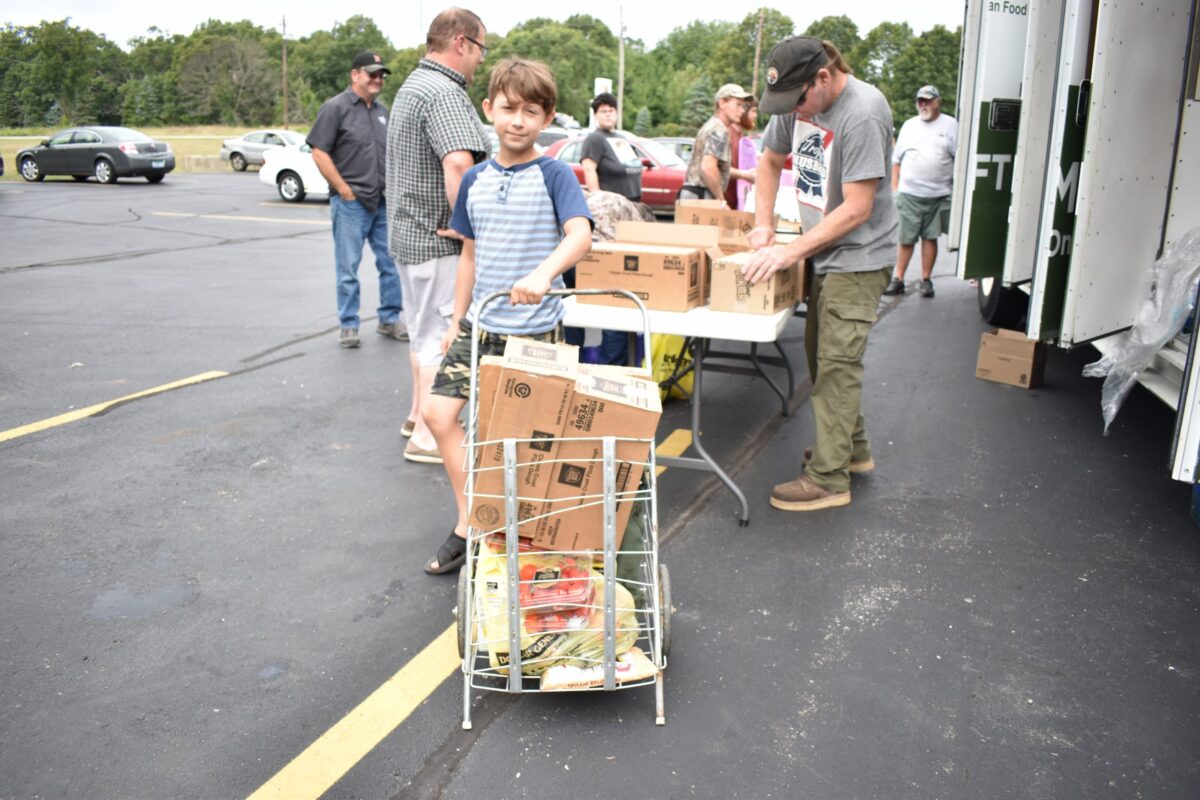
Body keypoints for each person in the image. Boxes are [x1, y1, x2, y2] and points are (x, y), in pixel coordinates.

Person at [421, 57, 593, 574]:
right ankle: (471, 519)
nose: (518, 120)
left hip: (537, 332)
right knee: (437, 415)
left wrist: (545, 274)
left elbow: (580, 234)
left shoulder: (555, 173)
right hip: (481, 325)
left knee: (524, 444)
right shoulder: (473, 178)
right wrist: (457, 318)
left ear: (548, 117)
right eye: (509, 108)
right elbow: (470, 253)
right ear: (489, 109)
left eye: (531, 111)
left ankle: (525, 540)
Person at [742, 36, 898, 512]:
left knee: (837, 364)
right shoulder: (797, 97)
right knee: (821, 355)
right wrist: (764, 223)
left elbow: (856, 208)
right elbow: (769, 160)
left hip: (860, 255)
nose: (795, 112)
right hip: (825, 253)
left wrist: (789, 255)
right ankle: (853, 451)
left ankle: (830, 478)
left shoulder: (863, 113)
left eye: (800, 101)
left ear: (824, 78)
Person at [386, 8, 491, 464]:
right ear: (462, 44)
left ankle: (417, 416)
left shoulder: (413, 85)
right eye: (482, 49)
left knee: (420, 333)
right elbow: (457, 163)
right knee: (441, 338)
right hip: (438, 241)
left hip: (409, 237)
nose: (482, 62)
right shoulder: (446, 92)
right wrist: (466, 222)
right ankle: (430, 436)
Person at [308, 51, 405, 350]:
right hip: (351, 204)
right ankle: (348, 325)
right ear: (355, 74)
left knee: (391, 265)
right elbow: (319, 151)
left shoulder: (382, 111)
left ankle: (389, 319)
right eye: (371, 73)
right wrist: (344, 189)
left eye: (381, 75)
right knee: (348, 268)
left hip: (382, 202)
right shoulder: (335, 108)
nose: (377, 79)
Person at [576, 91, 645, 364]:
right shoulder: (594, 139)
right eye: (603, 110)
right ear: (595, 114)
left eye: (611, 110)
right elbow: (589, 169)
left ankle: (623, 356)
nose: (608, 114)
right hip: (609, 219)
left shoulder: (621, 138)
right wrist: (597, 199)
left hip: (632, 212)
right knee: (614, 284)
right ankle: (610, 359)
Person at [883, 85, 957, 298]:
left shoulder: (951, 125)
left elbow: (959, 159)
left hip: (938, 195)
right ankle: (898, 279)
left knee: (930, 238)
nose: (923, 105)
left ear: (937, 102)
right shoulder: (910, 125)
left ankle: (926, 280)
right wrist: (895, 188)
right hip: (910, 194)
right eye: (920, 101)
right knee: (905, 239)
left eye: (927, 100)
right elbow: (896, 161)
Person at [679, 83, 757, 203]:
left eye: (743, 106)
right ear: (722, 103)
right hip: (701, 195)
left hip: (692, 194)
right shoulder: (719, 130)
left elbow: (718, 168)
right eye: (738, 105)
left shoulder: (712, 125)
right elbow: (708, 167)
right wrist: (721, 200)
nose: (742, 111)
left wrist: (744, 174)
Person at [729, 98, 759, 210]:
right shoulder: (727, 132)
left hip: (734, 204)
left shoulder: (740, 136)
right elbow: (717, 168)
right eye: (753, 111)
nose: (755, 116)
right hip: (722, 204)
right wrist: (745, 175)